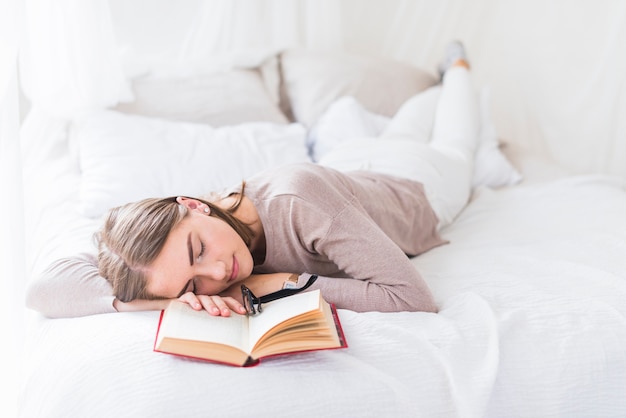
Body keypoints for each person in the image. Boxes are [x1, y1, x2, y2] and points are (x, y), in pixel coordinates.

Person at [28, 41, 479, 318]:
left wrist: (275, 284)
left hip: (420, 184)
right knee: (404, 125)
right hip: (349, 172)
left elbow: (410, 298)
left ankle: (456, 67)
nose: (218, 274)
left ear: (195, 205)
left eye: (198, 250)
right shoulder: (158, 259)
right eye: (192, 286)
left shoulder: (298, 200)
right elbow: (43, 292)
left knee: (454, 131)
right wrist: (166, 301)